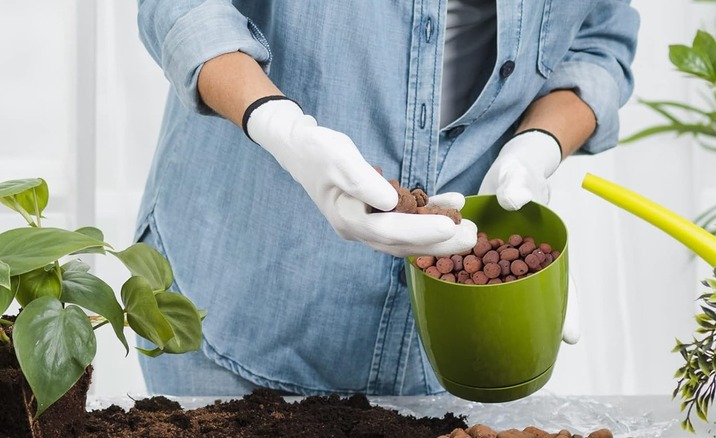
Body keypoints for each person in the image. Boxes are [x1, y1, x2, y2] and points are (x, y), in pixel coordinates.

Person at [134, 0, 639, 397]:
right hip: (239, 296)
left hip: (455, 347)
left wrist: (539, 144)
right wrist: (277, 124)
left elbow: (599, 41)